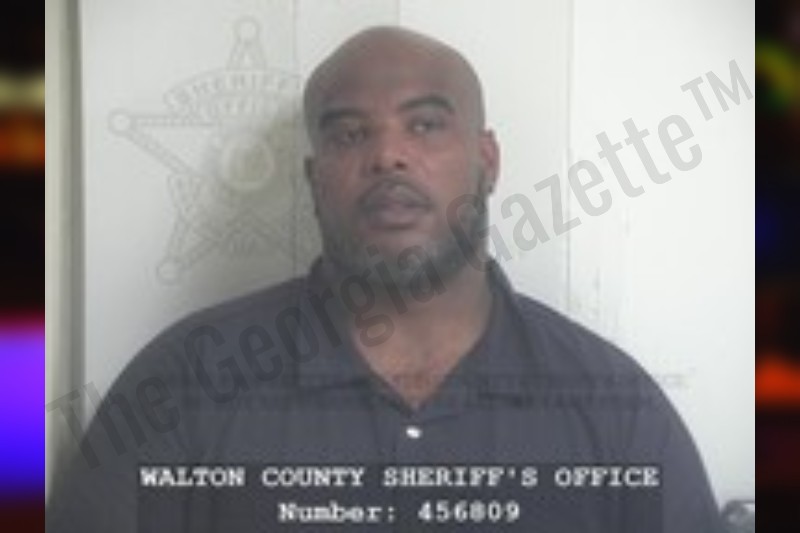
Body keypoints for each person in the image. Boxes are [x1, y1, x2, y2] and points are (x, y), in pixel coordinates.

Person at [47, 27, 725, 532]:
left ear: (487, 160)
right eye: (349, 135)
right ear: (314, 179)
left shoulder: (617, 410)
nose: (388, 154)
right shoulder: (181, 387)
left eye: (425, 124)